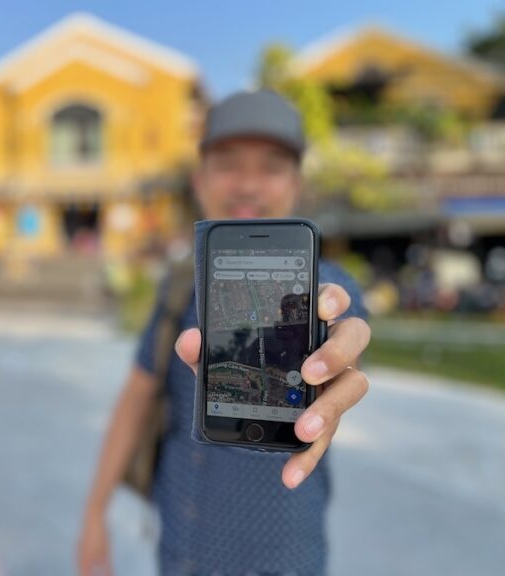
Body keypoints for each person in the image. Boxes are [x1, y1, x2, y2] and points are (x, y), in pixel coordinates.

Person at [78, 89, 371, 576]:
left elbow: (344, 316)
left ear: (295, 183)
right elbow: (137, 394)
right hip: (178, 549)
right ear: (200, 179)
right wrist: (93, 515)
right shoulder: (178, 285)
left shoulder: (325, 281)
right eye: (229, 164)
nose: (249, 184)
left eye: (271, 167)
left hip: (281, 561)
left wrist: (339, 344)